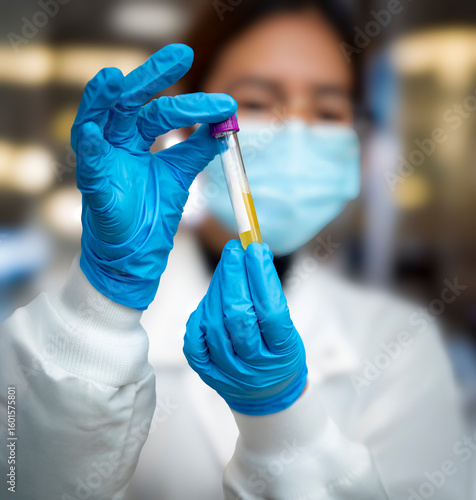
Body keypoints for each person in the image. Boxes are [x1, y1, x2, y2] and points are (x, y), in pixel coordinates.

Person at [0, 1, 468, 499]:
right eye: (260, 102)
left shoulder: (398, 339)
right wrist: (101, 308)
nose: (296, 132)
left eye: (329, 110)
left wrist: (285, 421)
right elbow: (18, 479)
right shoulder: (61, 310)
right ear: (188, 119)